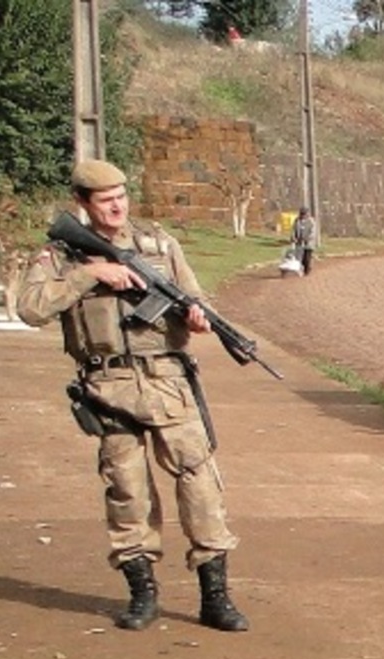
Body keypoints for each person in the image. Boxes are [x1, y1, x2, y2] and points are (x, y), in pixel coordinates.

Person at [17, 159, 249, 633]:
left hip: (168, 382)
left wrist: (199, 318)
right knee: (127, 489)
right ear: (82, 203)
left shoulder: (159, 245)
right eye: (105, 199)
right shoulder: (63, 256)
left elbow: (195, 297)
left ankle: (215, 597)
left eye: (121, 195)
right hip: (109, 387)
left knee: (200, 484)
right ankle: (142, 595)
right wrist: (92, 275)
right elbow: (30, 308)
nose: (117, 205)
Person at [291, 206, 317, 276]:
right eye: (302, 214)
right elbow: (293, 230)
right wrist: (294, 238)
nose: (303, 215)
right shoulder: (297, 221)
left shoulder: (311, 221)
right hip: (299, 243)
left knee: (307, 258)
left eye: (304, 214)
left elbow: (313, 232)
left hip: (308, 244)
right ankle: (303, 268)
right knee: (300, 258)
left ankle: (307, 270)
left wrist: (307, 239)